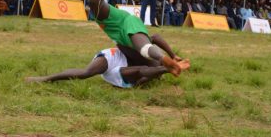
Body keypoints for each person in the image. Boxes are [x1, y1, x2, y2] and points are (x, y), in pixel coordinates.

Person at [87, 0, 182, 77]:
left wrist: (171, 58)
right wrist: (172, 56)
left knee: (93, 1)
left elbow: (154, 40)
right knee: (144, 48)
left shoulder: (145, 65)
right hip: (127, 23)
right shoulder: (148, 61)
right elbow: (155, 38)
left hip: (119, 29)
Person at [26, 47, 190, 88]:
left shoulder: (151, 71)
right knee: (86, 72)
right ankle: (45, 79)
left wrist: (166, 69)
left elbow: (142, 74)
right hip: (114, 56)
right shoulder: (153, 54)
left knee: (140, 73)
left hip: (119, 75)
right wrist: (172, 54)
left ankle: (169, 70)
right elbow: (155, 36)